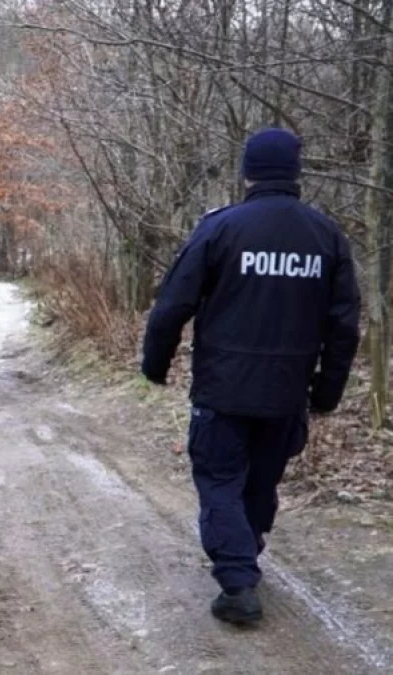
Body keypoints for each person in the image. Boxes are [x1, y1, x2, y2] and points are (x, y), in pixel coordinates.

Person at [142, 128, 361, 625]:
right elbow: (344, 324)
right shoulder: (326, 236)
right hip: (287, 392)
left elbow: (172, 304)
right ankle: (245, 551)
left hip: (223, 388)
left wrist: (155, 365)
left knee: (220, 479)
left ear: (249, 171)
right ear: (296, 173)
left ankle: (239, 581)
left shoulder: (221, 229)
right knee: (261, 480)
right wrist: (326, 392)